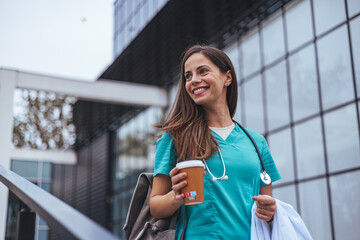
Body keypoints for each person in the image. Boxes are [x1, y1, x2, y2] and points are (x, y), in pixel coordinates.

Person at [149, 45, 281, 239]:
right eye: (188, 76)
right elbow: (155, 207)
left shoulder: (256, 142)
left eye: (202, 71)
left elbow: (266, 205)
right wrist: (176, 196)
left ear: (227, 78)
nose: (194, 80)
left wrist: (270, 214)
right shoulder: (175, 137)